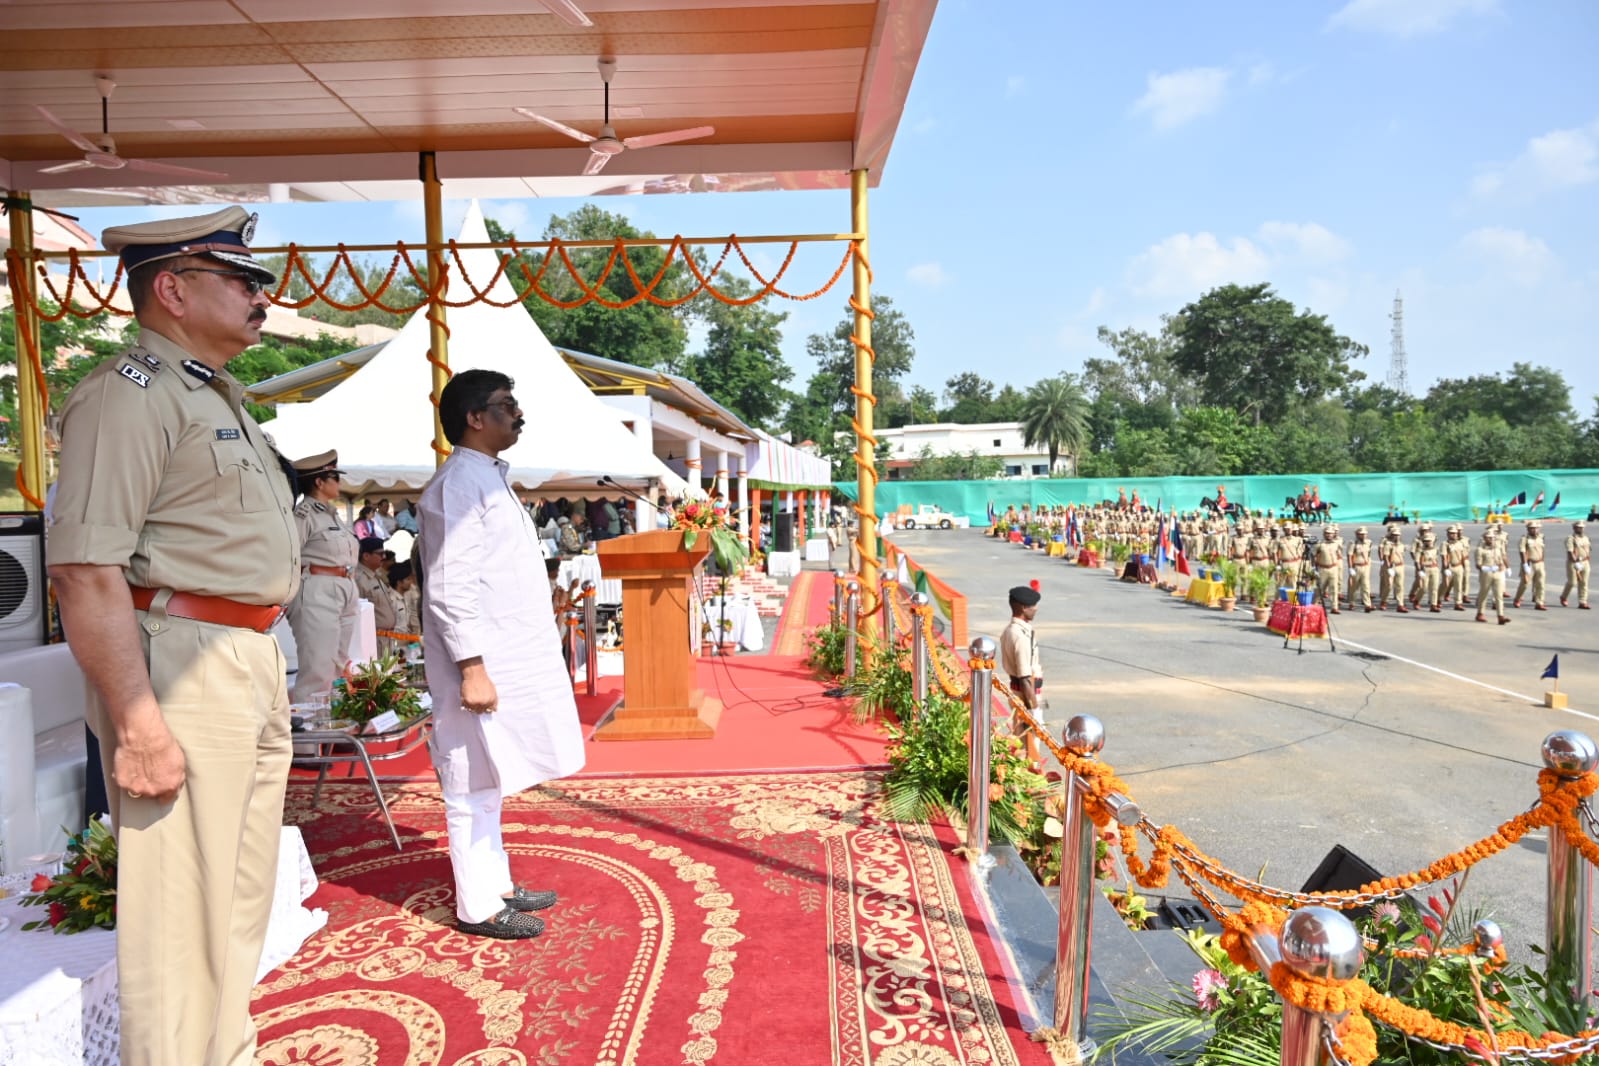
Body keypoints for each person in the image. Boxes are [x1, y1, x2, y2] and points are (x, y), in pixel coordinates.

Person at [47, 205, 298, 1065]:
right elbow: (85, 568)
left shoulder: (212, 394)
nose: (260, 297)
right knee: (178, 914)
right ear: (173, 288)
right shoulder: (129, 395)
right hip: (182, 663)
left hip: (244, 656)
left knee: (235, 899)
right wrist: (138, 721)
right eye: (242, 281)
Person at [419, 369, 585, 939]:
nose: (518, 414)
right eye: (506, 405)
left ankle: (497, 885)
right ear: (474, 418)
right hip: (477, 663)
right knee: (468, 784)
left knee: (490, 779)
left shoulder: (486, 477)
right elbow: (449, 586)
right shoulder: (457, 486)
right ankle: (477, 907)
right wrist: (472, 668)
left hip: (502, 656)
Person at [287, 450, 360, 702]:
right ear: (319, 482)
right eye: (335, 477)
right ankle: (308, 742)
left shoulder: (332, 515)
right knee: (318, 672)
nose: (339, 483)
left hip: (344, 587)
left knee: (338, 670)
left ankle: (333, 739)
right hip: (317, 588)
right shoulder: (304, 514)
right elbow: (287, 554)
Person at [998, 584, 1043, 763]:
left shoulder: (1012, 630)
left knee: (1022, 741)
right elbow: (1025, 678)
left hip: (1021, 693)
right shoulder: (1019, 636)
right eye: (1033, 605)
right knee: (1030, 745)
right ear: (1024, 608)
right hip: (1025, 695)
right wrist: (1034, 710)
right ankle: (1031, 779)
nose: (1036, 608)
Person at [355, 535, 405, 655]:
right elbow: (357, 614)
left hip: (386, 639)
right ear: (366, 556)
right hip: (372, 640)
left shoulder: (376, 575)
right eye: (380, 554)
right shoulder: (359, 579)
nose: (383, 558)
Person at [1475, 525, 1511, 624]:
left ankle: (1501, 616)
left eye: (1493, 538)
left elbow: (1501, 559)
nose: (1491, 539)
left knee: (1499, 595)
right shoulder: (1480, 550)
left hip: (1498, 573)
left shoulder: (1498, 549)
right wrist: (1489, 568)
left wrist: (1505, 567)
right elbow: (1478, 565)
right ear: (1485, 538)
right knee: (1484, 594)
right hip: (1486, 574)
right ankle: (1480, 613)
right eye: (1489, 538)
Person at [1512, 519, 1547, 610]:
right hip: (1529, 563)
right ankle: (1517, 598)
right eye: (1532, 528)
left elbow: (1542, 550)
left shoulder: (1541, 537)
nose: (1534, 530)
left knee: (1541, 584)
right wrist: (1525, 565)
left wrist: (1542, 561)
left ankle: (1539, 602)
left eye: (1536, 528)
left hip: (1539, 563)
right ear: (1528, 529)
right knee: (1525, 584)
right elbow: (1522, 552)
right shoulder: (1525, 539)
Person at [1311, 525, 1343, 614]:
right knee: (1319, 589)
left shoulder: (1336, 544)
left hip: (1333, 568)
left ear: (1333, 535)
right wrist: (1314, 568)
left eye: (1331, 534)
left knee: (1334, 588)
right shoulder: (1319, 544)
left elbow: (1339, 555)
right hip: (1322, 569)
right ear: (1324, 534)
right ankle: (1314, 605)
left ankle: (1334, 607)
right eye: (1327, 533)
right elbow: (1313, 556)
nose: (1329, 535)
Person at [1563, 520, 1591, 608]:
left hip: (1585, 562)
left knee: (1584, 582)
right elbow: (1570, 552)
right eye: (1579, 527)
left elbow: (1588, 549)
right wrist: (1576, 563)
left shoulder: (1586, 538)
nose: (1581, 529)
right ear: (1574, 528)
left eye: (1582, 527)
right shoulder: (1571, 538)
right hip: (1574, 562)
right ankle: (1564, 596)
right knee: (1572, 582)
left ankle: (1582, 602)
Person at [1347, 526, 1374, 612]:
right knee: (1354, 587)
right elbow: (1350, 556)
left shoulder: (1369, 543)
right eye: (1361, 534)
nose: (1363, 536)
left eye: (1364, 534)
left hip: (1365, 566)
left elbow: (1369, 553)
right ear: (1357, 535)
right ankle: (1352, 602)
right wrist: (1350, 568)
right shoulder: (1353, 543)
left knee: (1366, 586)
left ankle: (1367, 605)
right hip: (1356, 567)